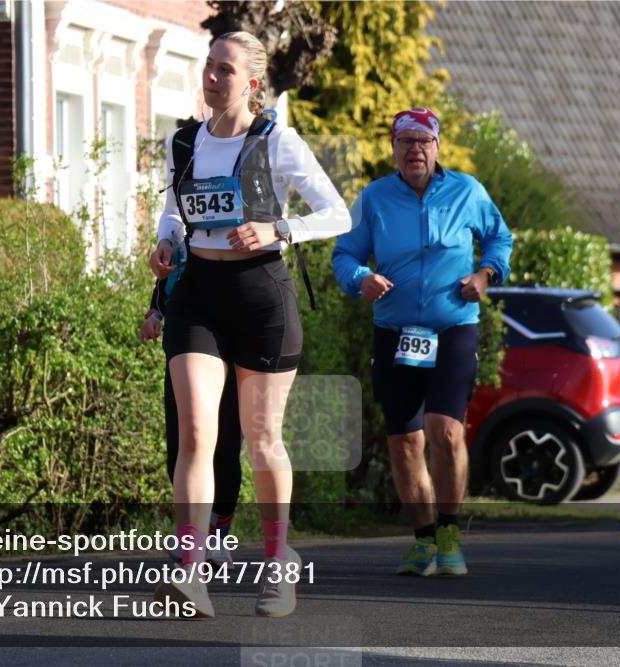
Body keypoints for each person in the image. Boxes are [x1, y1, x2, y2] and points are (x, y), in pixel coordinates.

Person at [148, 31, 351, 618]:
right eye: (209, 67)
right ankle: (190, 571)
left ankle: (277, 559)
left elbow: (337, 212)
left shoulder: (278, 140)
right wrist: (165, 244)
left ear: (252, 83)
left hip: (262, 295)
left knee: (262, 442)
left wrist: (278, 229)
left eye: (225, 71)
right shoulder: (183, 141)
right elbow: (173, 212)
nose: (212, 78)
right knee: (195, 434)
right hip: (199, 296)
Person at [332, 107, 513, 578]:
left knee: (445, 430)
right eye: (405, 141)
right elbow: (344, 254)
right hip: (394, 334)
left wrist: (485, 273)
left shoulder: (467, 191)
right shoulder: (374, 197)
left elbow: (500, 239)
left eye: (423, 141)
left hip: (453, 326)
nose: (415, 149)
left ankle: (450, 533)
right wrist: (361, 278)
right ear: (394, 149)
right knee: (405, 444)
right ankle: (422, 540)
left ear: (437, 147)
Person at [140, 270, 242, 567]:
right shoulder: (179, 232)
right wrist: (155, 314)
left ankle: (217, 533)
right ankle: (191, 531)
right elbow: (165, 281)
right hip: (186, 339)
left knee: (225, 446)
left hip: (232, 341)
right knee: (183, 443)